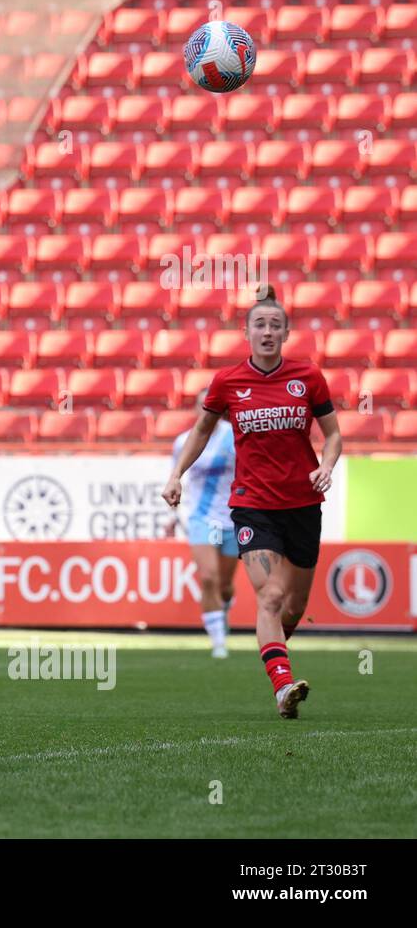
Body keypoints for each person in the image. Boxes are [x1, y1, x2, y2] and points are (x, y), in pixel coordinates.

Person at [164, 286, 342, 719]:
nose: (267, 331)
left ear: (285, 332)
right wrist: (176, 474)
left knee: (294, 607)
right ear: (247, 332)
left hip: (302, 503)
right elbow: (201, 431)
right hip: (252, 504)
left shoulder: (309, 377)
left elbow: (333, 434)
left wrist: (327, 466)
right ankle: (282, 686)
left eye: (275, 325)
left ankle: (275, 650)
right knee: (271, 595)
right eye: (259, 324)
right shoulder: (228, 381)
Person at [168, 388, 238, 658]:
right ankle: (218, 643)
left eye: (210, 405)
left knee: (225, 584)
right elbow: (175, 478)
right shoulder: (183, 442)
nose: (205, 409)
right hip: (201, 519)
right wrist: (171, 516)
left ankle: (223, 608)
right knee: (208, 578)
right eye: (201, 404)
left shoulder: (233, 437)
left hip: (231, 519)